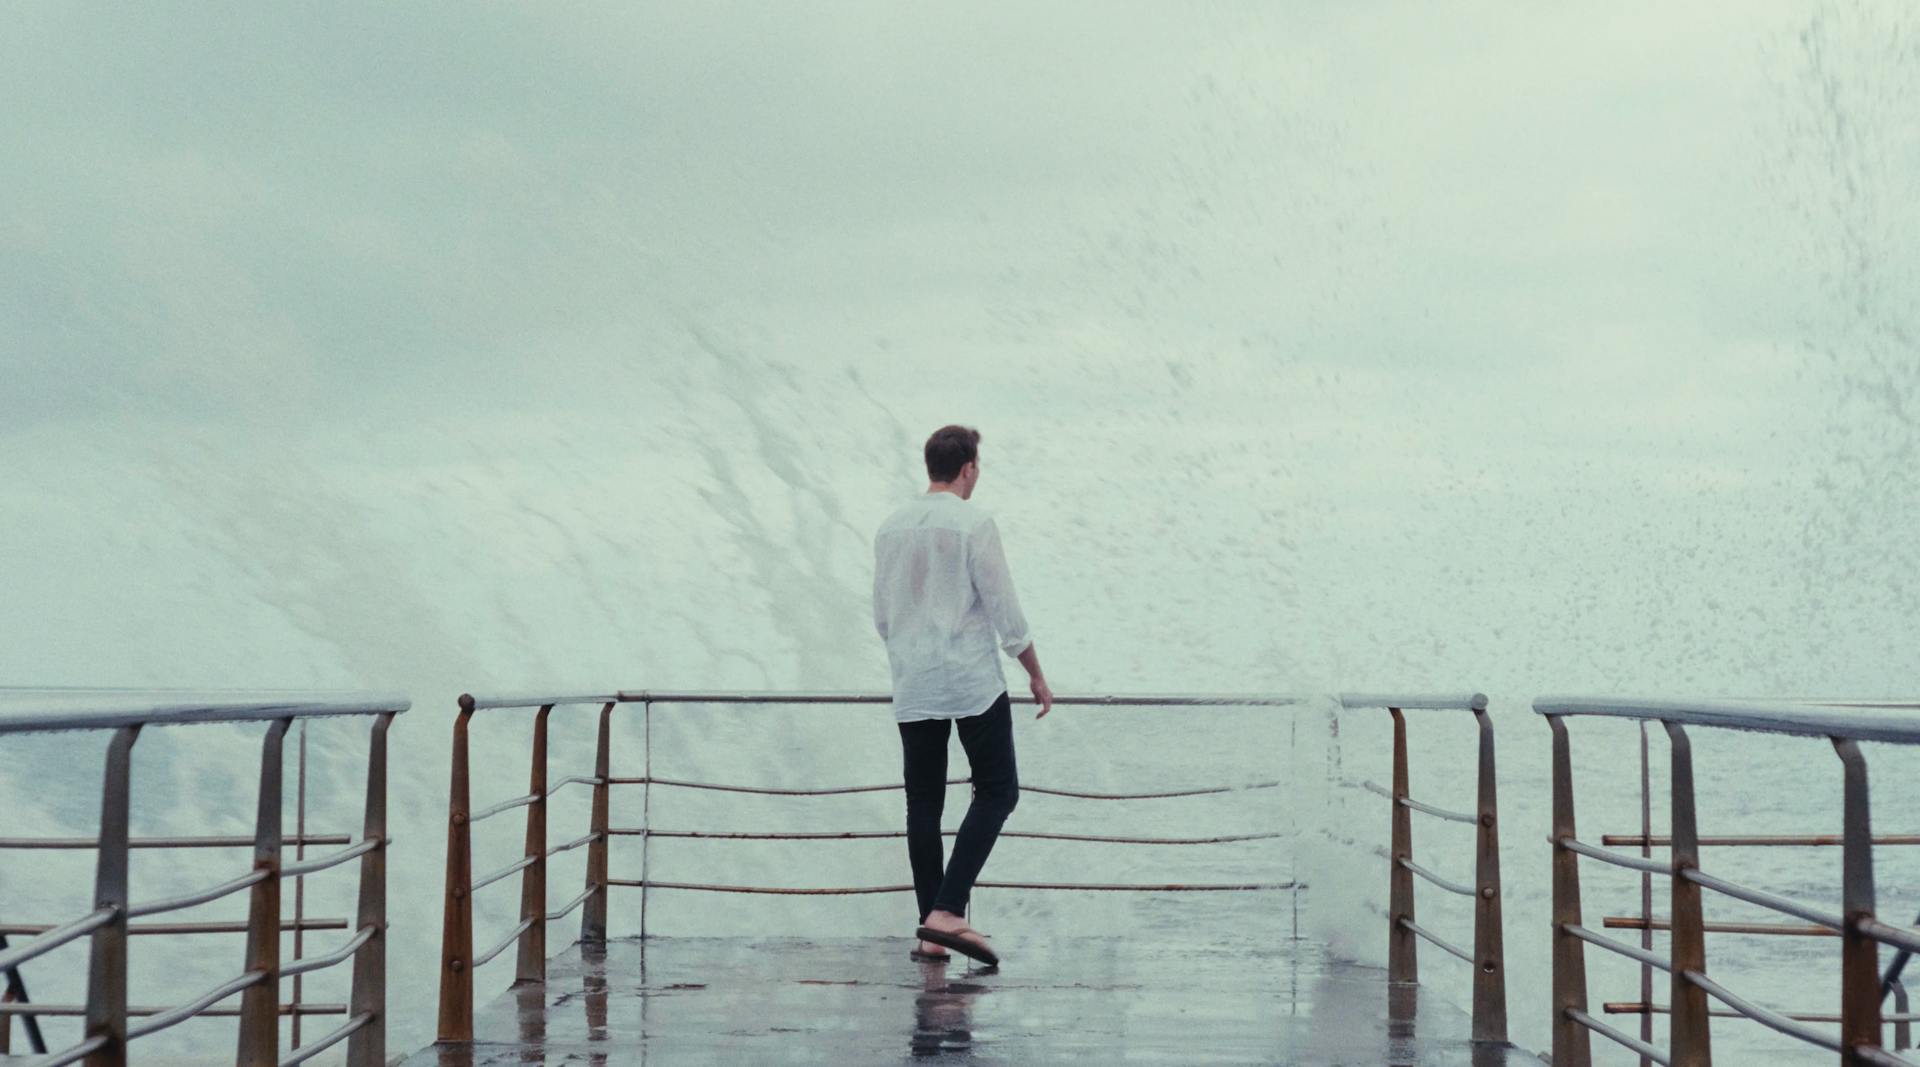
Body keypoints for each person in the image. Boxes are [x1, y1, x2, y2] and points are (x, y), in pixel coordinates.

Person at [872, 424, 1053, 966]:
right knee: (998, 791)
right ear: (968, 467)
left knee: (923, 804)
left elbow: (882, 616)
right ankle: (948, 911)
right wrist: (1036, 674)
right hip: (971, 679)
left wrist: (909, 653)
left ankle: (932, 930)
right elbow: (1005, 611)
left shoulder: (890, 528)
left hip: (914, 680)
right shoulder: (975, 524)